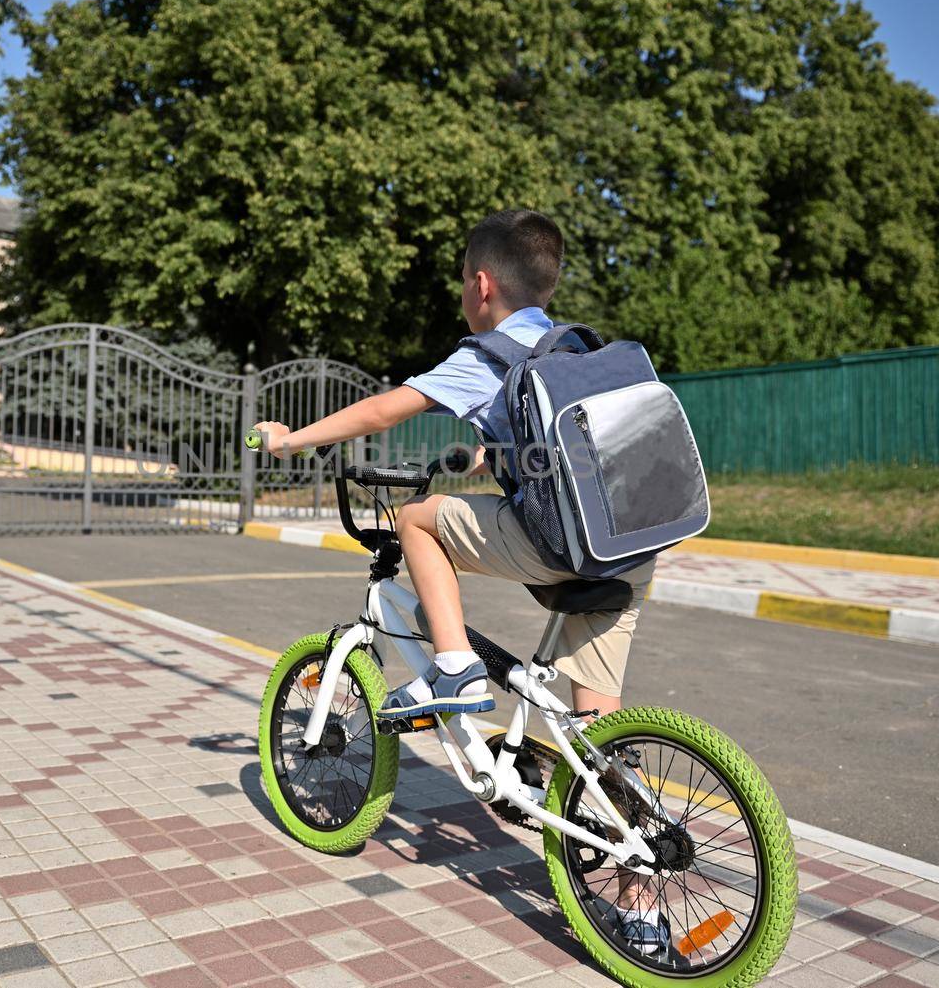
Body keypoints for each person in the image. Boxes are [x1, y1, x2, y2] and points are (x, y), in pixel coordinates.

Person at [255, 208, 667, 950]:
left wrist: (292, 439)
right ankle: (640, 910)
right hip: (631, 548)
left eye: (461, 281)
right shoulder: (576, 348)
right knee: (600, 734)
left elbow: (386, 407)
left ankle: (453, 668)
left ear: (482, 284)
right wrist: (488, 456)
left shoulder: (487, 352)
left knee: (417, 518)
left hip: (560, 546)